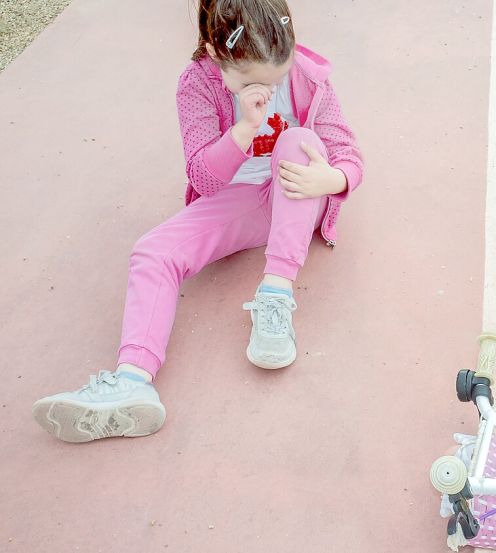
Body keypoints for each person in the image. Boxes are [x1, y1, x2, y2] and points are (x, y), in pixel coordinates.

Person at [32, 0, 363, 443]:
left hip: (298, 197)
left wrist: (333, 178)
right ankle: (133, 381)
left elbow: (346, 152)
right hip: (241, 202)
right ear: (213, 53)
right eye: (249, 81)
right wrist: (243, 129)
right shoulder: (196, 85)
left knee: (299, 139)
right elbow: (204, 179)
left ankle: (275, 297)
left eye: (276, 77)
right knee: (153, 251)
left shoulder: (308, 74)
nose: (267, 88)